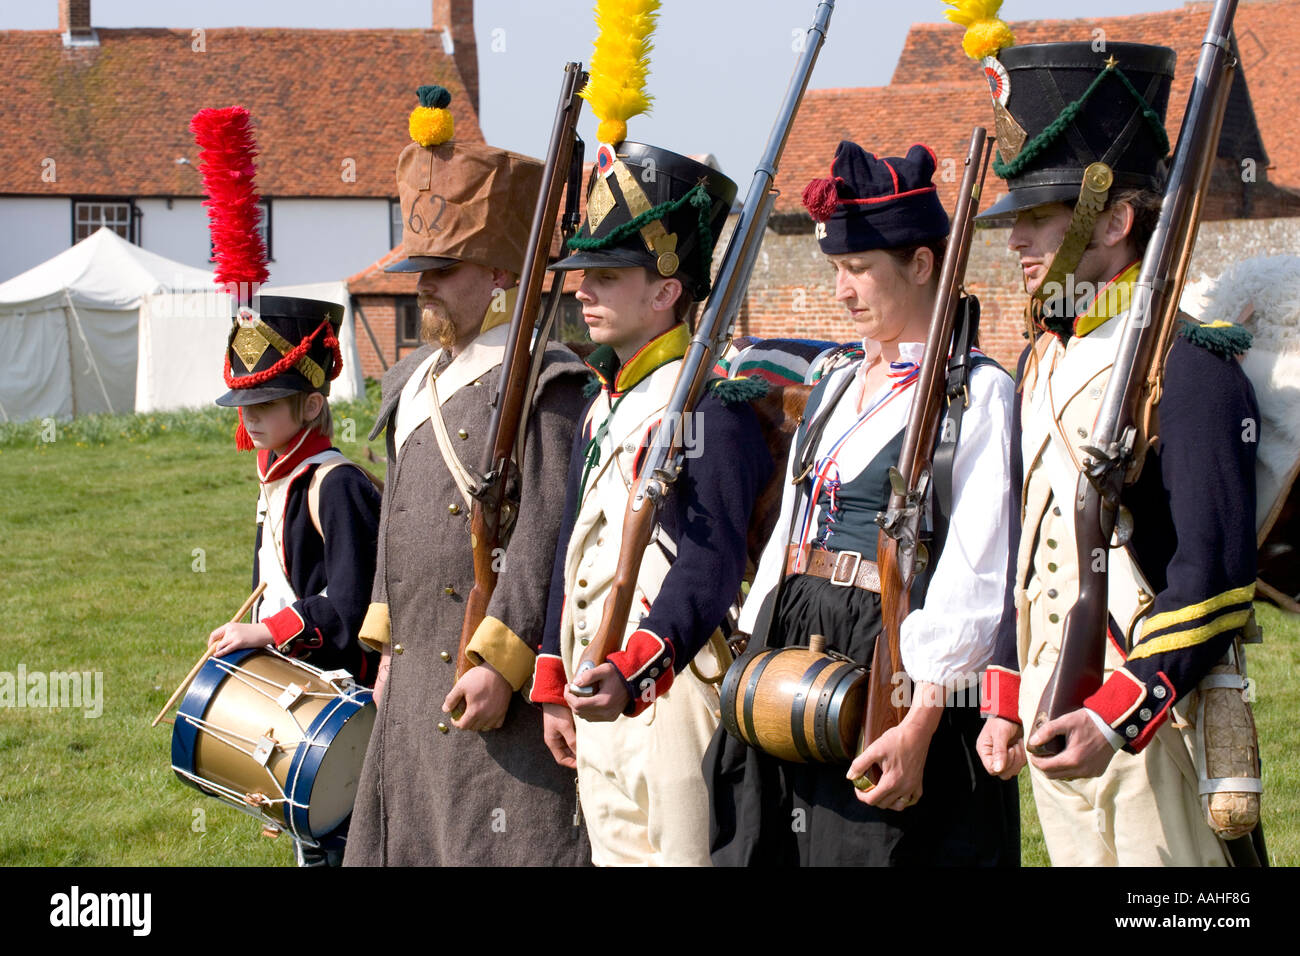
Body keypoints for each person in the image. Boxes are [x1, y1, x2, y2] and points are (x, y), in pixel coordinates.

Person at [963, 31, 1260, 866]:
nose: (1016, 243)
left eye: (1037, 220)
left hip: (1153, 721)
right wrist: (1006, 697)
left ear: (1117, 219)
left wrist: (1115, 712)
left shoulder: (1190, 362)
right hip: (1058, 713)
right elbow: (1034, 556)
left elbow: (1215, 570)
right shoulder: (1041, 361)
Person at [704, 140, 1021, 866]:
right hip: (798, 639)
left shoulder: (976, 395)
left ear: (920, 264)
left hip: (897, 653)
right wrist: (755, 647)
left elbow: (977, 572)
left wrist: (919, 720)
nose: (842, 291)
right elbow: (790, 526)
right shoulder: (838, 380)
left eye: (859, 270)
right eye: (837, 270)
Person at [342, 85, 591, 866]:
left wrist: (500, 659)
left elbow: (547, 525)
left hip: (485, 676)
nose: (424, 285)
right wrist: (381, 655)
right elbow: (396, 524)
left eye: (443, 271)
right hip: (415, 669)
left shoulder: (544, 378)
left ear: (494, 274)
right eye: (422, 269)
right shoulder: (411, 382)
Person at [531, 142, 773, 865]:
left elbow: (710, 557)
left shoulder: (711, 408)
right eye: (581, 276)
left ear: (667, 291)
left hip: (672, 688)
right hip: (597, 689)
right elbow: (573, 542)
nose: (581, 292)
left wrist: (640, 660)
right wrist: (553, 670)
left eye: (605, 276)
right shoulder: (604, 406)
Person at [207, 294, 382, 867]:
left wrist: (269, 633)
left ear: (310, 405)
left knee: (344, 839)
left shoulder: (336, 484)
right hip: (297, 681)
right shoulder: (277, 480)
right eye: (243, 404)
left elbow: (354, 604)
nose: (248, 416)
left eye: (265, 403)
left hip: (344, 692)